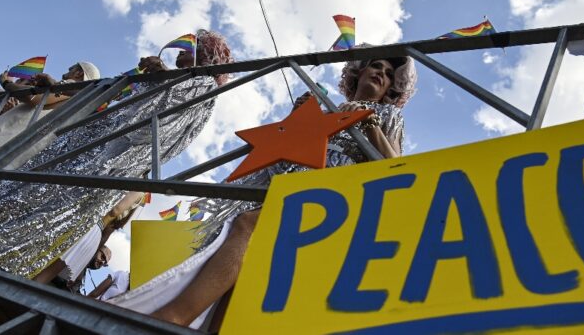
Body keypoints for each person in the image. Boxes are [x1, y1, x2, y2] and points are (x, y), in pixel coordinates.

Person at [109, 48, 417, 329]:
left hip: (337, 193)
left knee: (247, 226)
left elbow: (394, 163)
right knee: (254, 258)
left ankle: (178, 313)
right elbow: (289, 149)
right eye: (375, 66)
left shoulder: (388, 116)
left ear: (393, 88)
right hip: (295, 182)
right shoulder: (327, 110)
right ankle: (215, 326)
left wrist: (369, 124)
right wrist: (298, 119)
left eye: (390, 74)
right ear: (358, 73)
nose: (381, 73)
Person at [0, 30, 233, 279]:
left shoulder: (200, 84)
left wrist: (159, 76)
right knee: (23, 197)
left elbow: (148, 120)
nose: (181, 52)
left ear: (204, 57)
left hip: (105, 157)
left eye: (190, 50)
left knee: (36, 204)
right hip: (94, 151)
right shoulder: (190, 82)